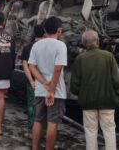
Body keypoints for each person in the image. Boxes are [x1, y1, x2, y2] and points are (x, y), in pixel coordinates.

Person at [70, 30, 119, 150]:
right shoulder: (108, 56)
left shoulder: (80, 59)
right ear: (98, 41)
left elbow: (74, 86)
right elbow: (118, 81)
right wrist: (115, 95)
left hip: (88, 103)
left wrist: (83, 94)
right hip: (108, 102)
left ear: (84, 44)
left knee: (90, 132)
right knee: (109, 131)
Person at [28, 16, 67, 150]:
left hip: (40, 89)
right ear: (59, 30)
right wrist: (51, 90)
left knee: (38, 120)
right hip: (56, 92)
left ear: (44, 29)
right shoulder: (60, 45)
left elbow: (31, 66)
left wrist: (43, 82)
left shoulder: (36, 45)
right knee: (52, 123)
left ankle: (34, 148)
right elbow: (57, 69)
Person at [20, 25, 45, 139]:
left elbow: (26, 66)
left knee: (31, 106)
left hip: (33, 82)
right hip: (46, 83)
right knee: (45, 108)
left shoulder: (28, 47)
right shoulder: (48, 46)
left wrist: (31, 81)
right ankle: (44, 132)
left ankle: (31, 131)